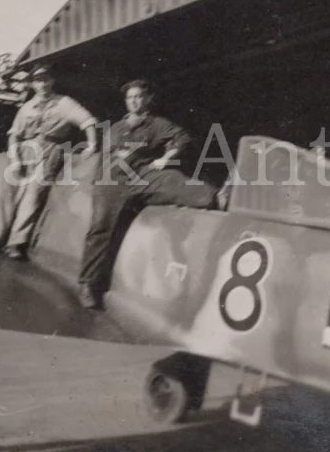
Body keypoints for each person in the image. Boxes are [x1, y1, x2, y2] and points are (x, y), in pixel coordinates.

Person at [78, 79, 226, 309]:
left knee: (183, 186)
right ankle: (88, 284)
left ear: (147, 99)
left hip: (141, 176)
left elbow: (182, 137)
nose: (134, 101)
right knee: (100, 230)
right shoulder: (115, 127)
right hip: (111, 181)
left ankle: (217, 197)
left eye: (139, 96)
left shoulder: (156, 124)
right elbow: (104, 160)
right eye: (130, 98)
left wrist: (166, 158)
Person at [0, 65, 97, 261]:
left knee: (34, 192)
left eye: (46, 79)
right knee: (7, 191)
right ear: (33, 84)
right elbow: (14, 134)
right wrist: (15, 159)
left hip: (50, 149)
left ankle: (16, 242)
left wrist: (92, 145)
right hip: (24, 150)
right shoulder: (27, 107)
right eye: (38, 80)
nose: (42, 84)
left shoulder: (64, 103)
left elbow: (87, 121)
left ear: (52, 81)